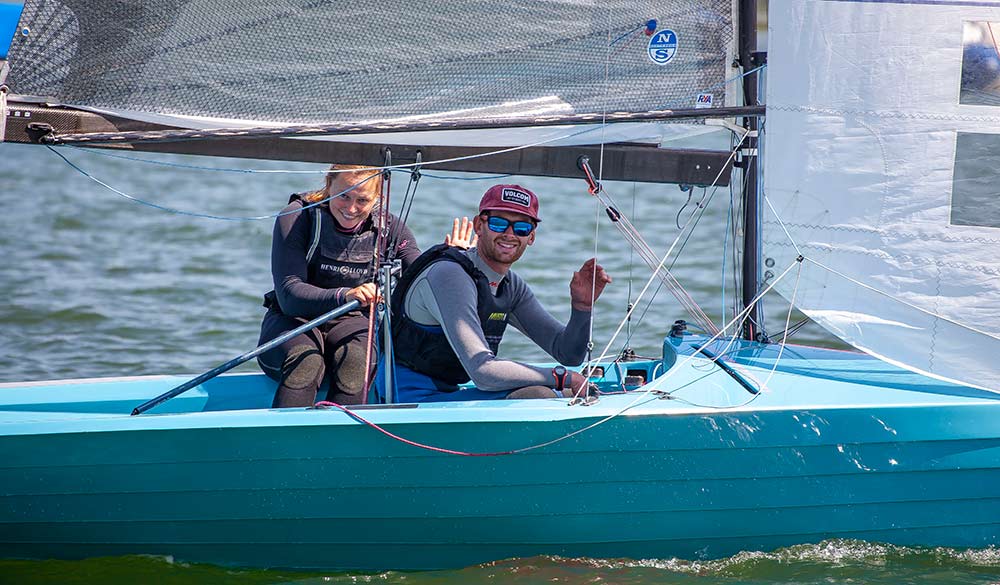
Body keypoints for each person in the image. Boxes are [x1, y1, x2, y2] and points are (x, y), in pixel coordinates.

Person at [258, 164, 475, 407]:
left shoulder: (390, 228)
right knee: (307, 363)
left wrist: (450, 259)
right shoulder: (298, 217)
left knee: (356, 363)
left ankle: (342, 443)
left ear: (378, 197)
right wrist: (346, 295)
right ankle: (285, 443)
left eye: (362, 199)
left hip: (352, 323)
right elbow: (289, 295)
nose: (351, 208)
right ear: (329, 185)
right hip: (293, 321)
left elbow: (420, 277)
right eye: (344, 196)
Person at [378, 184, 612, 402]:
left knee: (564, 391)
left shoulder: (511, 286)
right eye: (499, 223)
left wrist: (582, 307)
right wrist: (563, 376)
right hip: (407, 401)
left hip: (446, 393)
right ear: (479, 226)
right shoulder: (449, 275)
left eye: (521, 228)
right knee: (540, 394)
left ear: (531, 237)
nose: (510, 234)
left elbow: (568, 353)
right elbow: (482, 372)